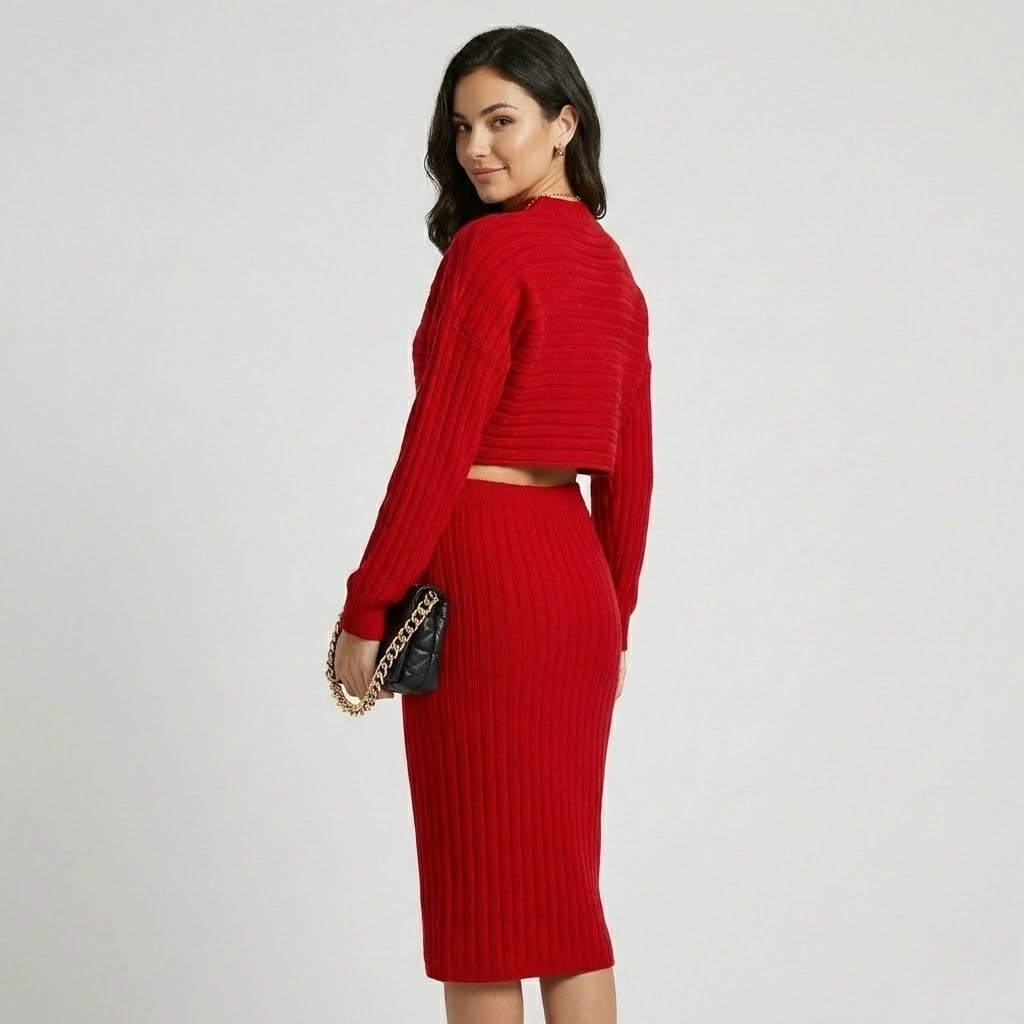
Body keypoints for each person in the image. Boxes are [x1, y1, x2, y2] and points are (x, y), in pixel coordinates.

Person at [332, 25, 653, 1024]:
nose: (476, 147)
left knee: (484, 900)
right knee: (563, 897)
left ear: (564, 124)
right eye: (462, 126)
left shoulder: (488, 252)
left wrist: (367, 605)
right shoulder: (614, 271)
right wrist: (615, 619)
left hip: (484, 574)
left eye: (501, 120)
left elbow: (436, 449)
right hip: (575, 584)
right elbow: (634, 477)